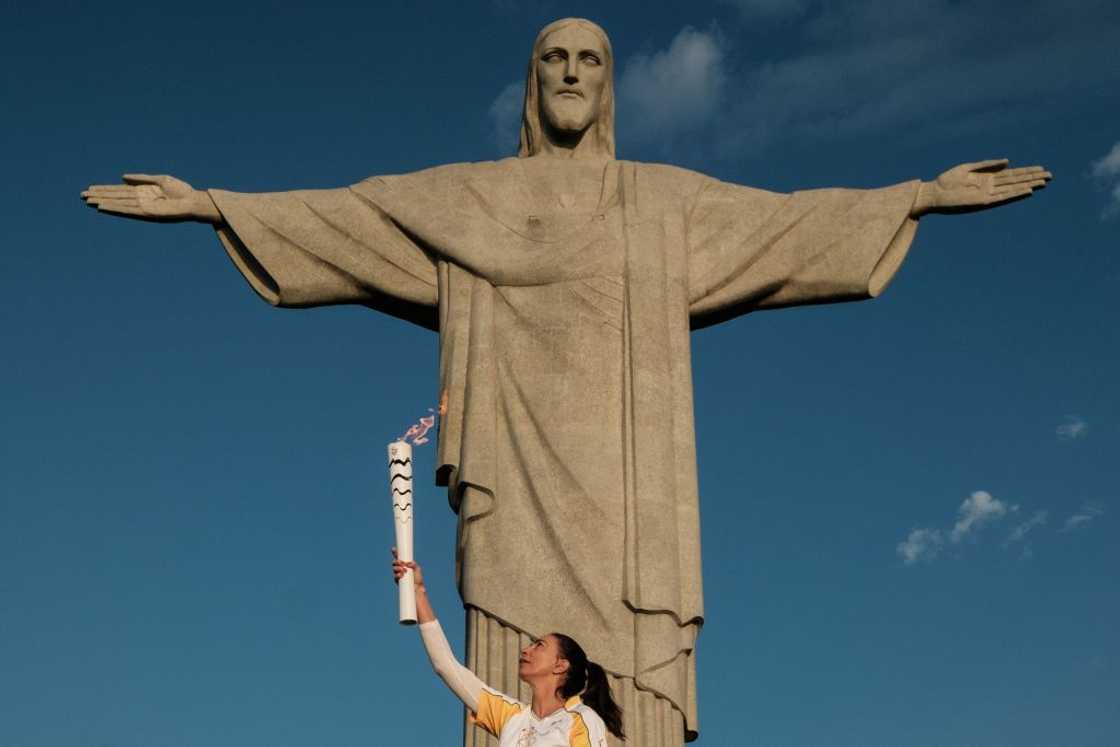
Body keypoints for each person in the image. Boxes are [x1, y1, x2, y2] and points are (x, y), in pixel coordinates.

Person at [81, 17, 1050, 744]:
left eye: (591, 60)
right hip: (513, 461)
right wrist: (212, 205)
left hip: (631, 485)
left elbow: (790, 223)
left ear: (612, 84)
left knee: (630, 647)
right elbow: (351, 218)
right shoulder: (471, 197)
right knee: (503, 646)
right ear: (530, 83)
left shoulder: (660, 203)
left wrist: (918, 193)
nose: (572, 75)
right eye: (555, 59)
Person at [392, 549, 624, 746]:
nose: (526, 650)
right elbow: (446, 667)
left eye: (539, 646)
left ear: (560, 665)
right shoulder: (512, 717)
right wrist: (418, 593)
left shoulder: (582, 719)